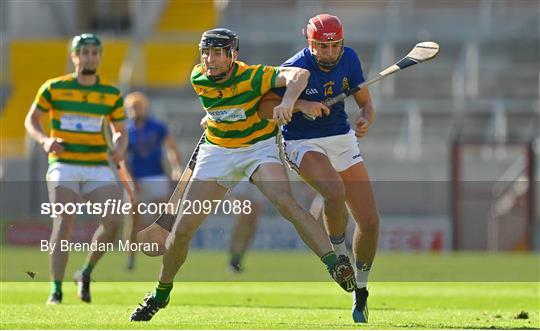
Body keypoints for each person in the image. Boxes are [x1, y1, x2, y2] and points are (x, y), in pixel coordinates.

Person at [129, 28, 356, 322]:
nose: (209, 59)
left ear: (232, 55)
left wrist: (290, 103)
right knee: (182, 230)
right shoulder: (198, 77)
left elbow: (298, 75)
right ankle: (160, 293)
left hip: (258, 149)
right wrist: (212, 116)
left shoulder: (253, 75)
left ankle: (334, 263)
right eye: (206, 52)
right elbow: (221, 104)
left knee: (285, 203)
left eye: (217, 53)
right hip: (218, 152)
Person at [258, 14, 380, 323]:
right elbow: (265, 107)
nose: (328, 53)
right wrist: (300, 106)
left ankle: (361, 291)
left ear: (342, 43)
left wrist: (365, 118)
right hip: (302, 142)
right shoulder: (294, 67)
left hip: (341, 138)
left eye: (334, 46)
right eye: (321, 47)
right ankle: (339, 255)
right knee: (332, 190)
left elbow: (365, 102)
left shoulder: (349, 59)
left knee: (370, 221)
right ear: (310, 44)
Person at [24, 33, 127, 304]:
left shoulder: (111, 93)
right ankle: (55, 290)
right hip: (64, 164)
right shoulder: (53, 88)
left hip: (97, 165)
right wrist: (45, 140)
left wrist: (119, 145)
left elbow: (120, 130)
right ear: (74, 56)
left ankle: (85, 272)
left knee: (114, 221)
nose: (90, 57)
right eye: (85, 52)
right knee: (64, 220)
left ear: (100, 57)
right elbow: (32, 119)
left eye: (95, 52)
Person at [123, 91, 182, 270]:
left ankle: (162, 253)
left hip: (156, 176)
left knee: (162, 218)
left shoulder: (157, 126)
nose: (135, 111)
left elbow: (171, 147)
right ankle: (131, 258)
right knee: (134, 221)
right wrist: (130, 180)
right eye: (132, 108)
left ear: (145, 107)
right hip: (135, 179)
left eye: (138, 107)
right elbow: (122, 159)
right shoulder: (125, 129)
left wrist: (176, 168)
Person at [226, 180, 264, 273]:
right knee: (242, 217)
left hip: (260, 175)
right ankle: (233, 257)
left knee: (252, 222)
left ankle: (238, 259)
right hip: (241, 175)